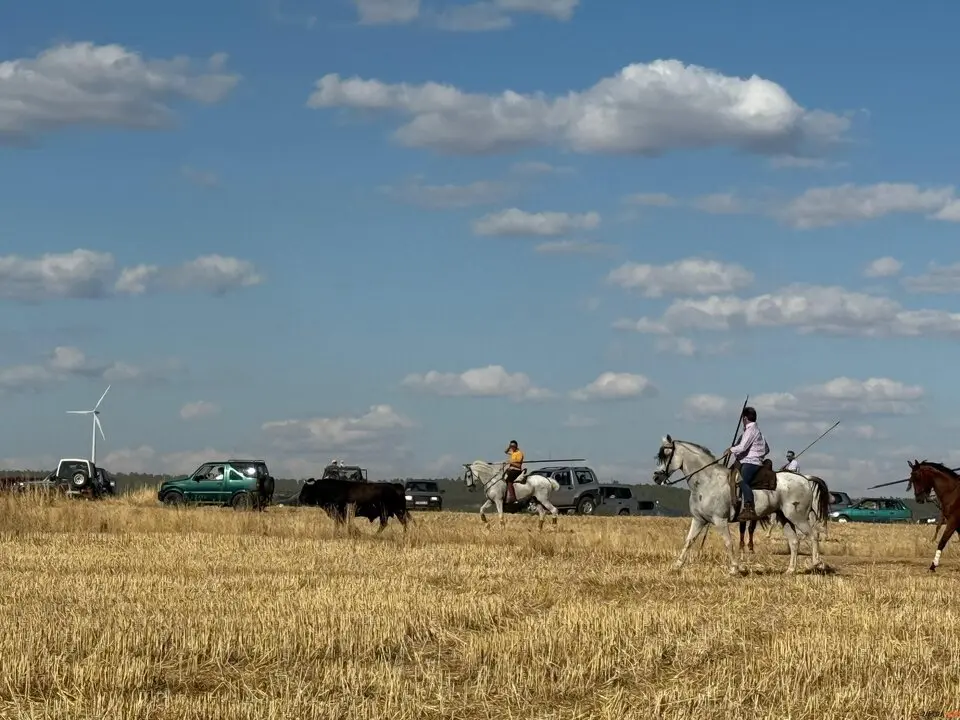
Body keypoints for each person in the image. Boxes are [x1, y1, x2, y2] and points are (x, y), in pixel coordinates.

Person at [723, 406, 768, 522]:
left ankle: (749, 507)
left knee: (741, 480)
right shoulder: (758, 431)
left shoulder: (751, 430)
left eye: (743, 418)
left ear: (745, 418)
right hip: (751, 460)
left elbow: (743, 447)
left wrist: (731, 450)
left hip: (751, 462)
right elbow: (767, 449)